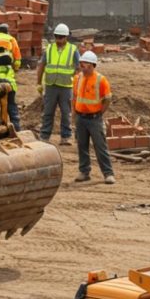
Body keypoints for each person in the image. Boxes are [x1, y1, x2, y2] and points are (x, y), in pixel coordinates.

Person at [72, 51, 114, 185]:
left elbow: (107, 98)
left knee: (100, 146)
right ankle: (84, 172)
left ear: (92, 65)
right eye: (81, 63)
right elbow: (74, 97)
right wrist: (73, 114)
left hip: (94, 118)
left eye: (84, 64)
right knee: (82, 146)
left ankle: (108, 173)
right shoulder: (78, 78)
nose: (81, 66)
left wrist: (100, 113)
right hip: (80, 117)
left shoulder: (101, 80)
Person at [36, 23, 79, 145]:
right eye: (57, 37)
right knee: (48, 112)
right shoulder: (49, 49)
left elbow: (78, 68)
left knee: (66, 113)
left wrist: (75, 82)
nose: (59, 40)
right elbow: (41, 66)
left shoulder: (73, 50)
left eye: (61, 37)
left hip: (66, 87)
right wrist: (38, 83)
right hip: (51, 86)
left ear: (66, 37)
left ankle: (65, 137)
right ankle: (44, 136)